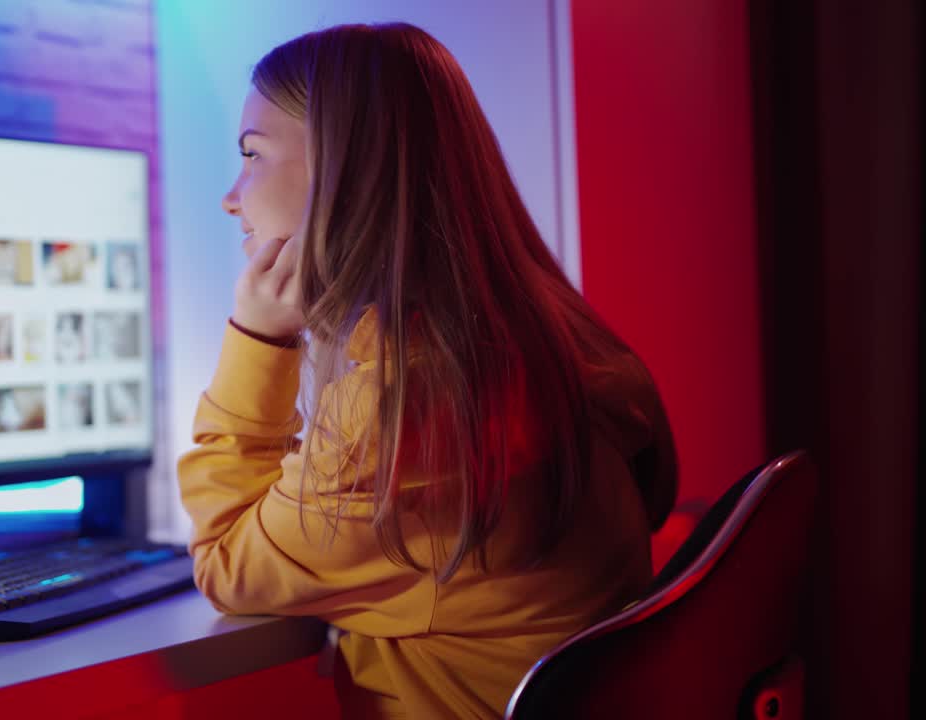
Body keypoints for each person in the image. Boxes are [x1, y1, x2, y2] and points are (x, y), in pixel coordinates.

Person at [177, 23, 678, 718]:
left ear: (343, 170)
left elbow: (225, 562)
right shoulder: (553, 348)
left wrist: (257, 337)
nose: (233, 196)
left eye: (252, 155)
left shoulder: (402, 407)